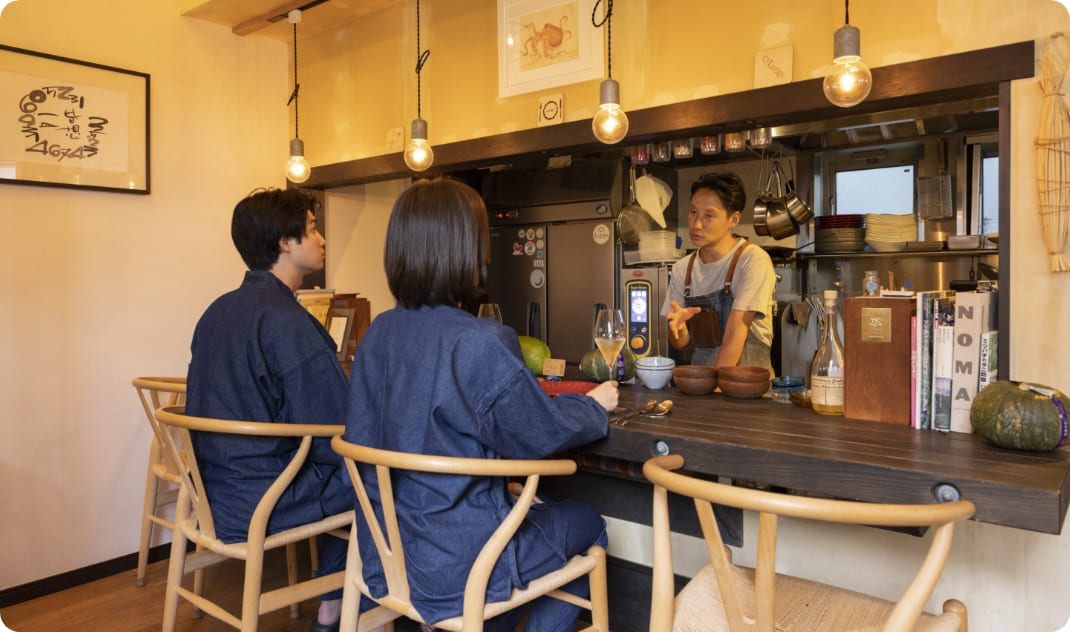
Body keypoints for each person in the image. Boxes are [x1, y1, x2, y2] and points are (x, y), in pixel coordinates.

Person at [343, 177, 617, 631]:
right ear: (466, 249)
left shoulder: (377, 335)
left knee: (531, 506)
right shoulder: (479, 340)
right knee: (589, 523)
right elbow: (538, 433)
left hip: (388, 555)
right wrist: (594, 405)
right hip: (461, 566)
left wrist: (494, 484)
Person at [185, 187, 349, 632]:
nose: (322, 239)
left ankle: (338, 599)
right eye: (312, 229)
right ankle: (346, 606)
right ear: (285, 242)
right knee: (380, 476)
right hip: (264, 501)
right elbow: (338, 434)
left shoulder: (216, 311)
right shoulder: (289, 322)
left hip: (211, 496)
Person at [662, 171, 776, 372]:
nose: (696, 224)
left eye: (709, 215)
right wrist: (678, 330)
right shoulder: (683, 269)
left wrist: (717, 386)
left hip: (748, 386)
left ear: (734, 219)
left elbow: (735, 331)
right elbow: (680, 344)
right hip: (701, 383)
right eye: (693, 212)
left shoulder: (752, 260)